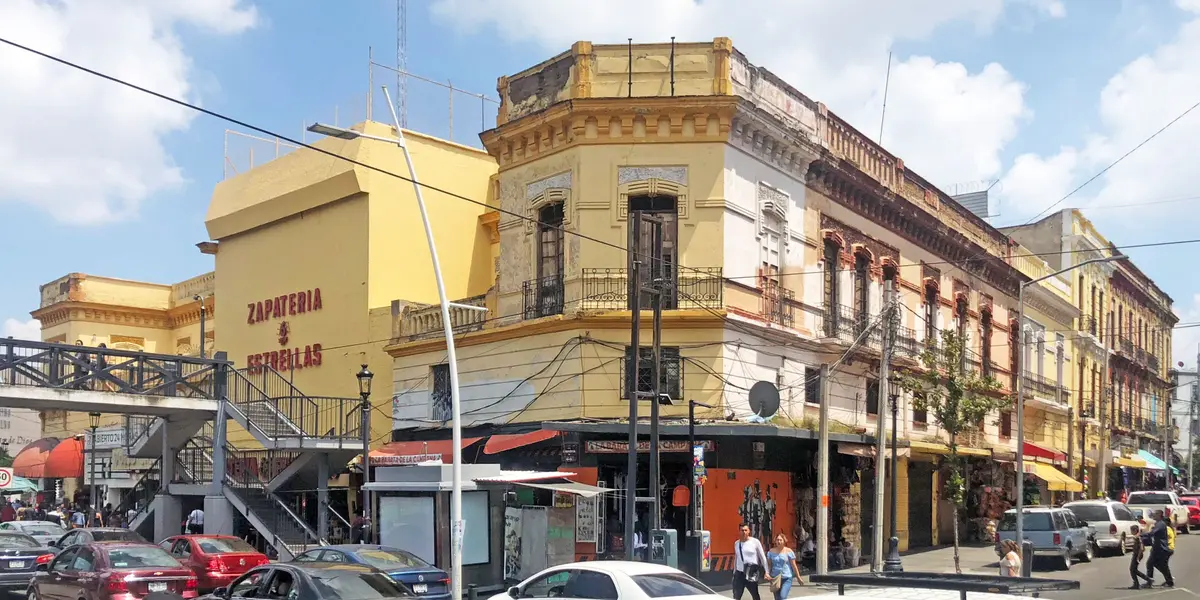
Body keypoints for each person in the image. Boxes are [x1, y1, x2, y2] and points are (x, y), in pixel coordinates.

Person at [732, 523, 767, 600]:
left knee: (755, 595)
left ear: (749, 531)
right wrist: (734, 572)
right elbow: (736, 558)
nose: (744, 532)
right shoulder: (737, 543)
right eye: (742, 530)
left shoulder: (755, 542)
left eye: (746, 530)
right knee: (736, 596)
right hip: (739, 573)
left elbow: (762, 557)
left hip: (751, 573)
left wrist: (766, 571)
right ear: (739, 531)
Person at [767, 533, 801, 600]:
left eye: (780, 540)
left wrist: (798, 577)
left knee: (782, 597)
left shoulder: (789, 551)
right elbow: (769, 565)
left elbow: (794, 565)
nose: (779, 541)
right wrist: (767, 574)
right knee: (777, 598)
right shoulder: (771, 552)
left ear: (784, 541)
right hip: (775, 578)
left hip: (786, 578)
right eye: (777, 540)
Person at [1146, 510, 1175, 588]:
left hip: (1161, 548)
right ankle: (1151, 581)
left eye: (1155, 514)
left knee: (1159, 565)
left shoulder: (1161, 524)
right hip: (1157, 547)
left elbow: (1153, 532)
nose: (1153, 515)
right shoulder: (1158, 524)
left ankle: (1168, 581)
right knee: (1153, 564)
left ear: (1159, 515)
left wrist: (1142, 534)